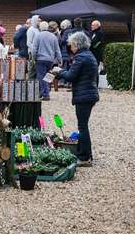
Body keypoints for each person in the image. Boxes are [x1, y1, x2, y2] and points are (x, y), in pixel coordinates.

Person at [53, 31, 99, 167]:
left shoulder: (80, 57)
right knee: (83, 126)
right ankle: (86, 154)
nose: (70, 47)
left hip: (84, 95)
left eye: (72, 44)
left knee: (82, 127)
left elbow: (71, 76)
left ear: (77, 44)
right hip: (89, 93)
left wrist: (58, 71)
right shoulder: (89, 55)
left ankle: (84, 157)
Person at [33, 21, 62, 100]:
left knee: (41, 77)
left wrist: (33, 58)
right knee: (47, 77)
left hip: (40, 59)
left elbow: (34, 49)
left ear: (40, 28)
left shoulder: (38, 36)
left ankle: (45, 94)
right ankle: (44, 92)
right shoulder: (53, 36)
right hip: (50, 60)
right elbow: (57, 50)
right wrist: (60, 60)